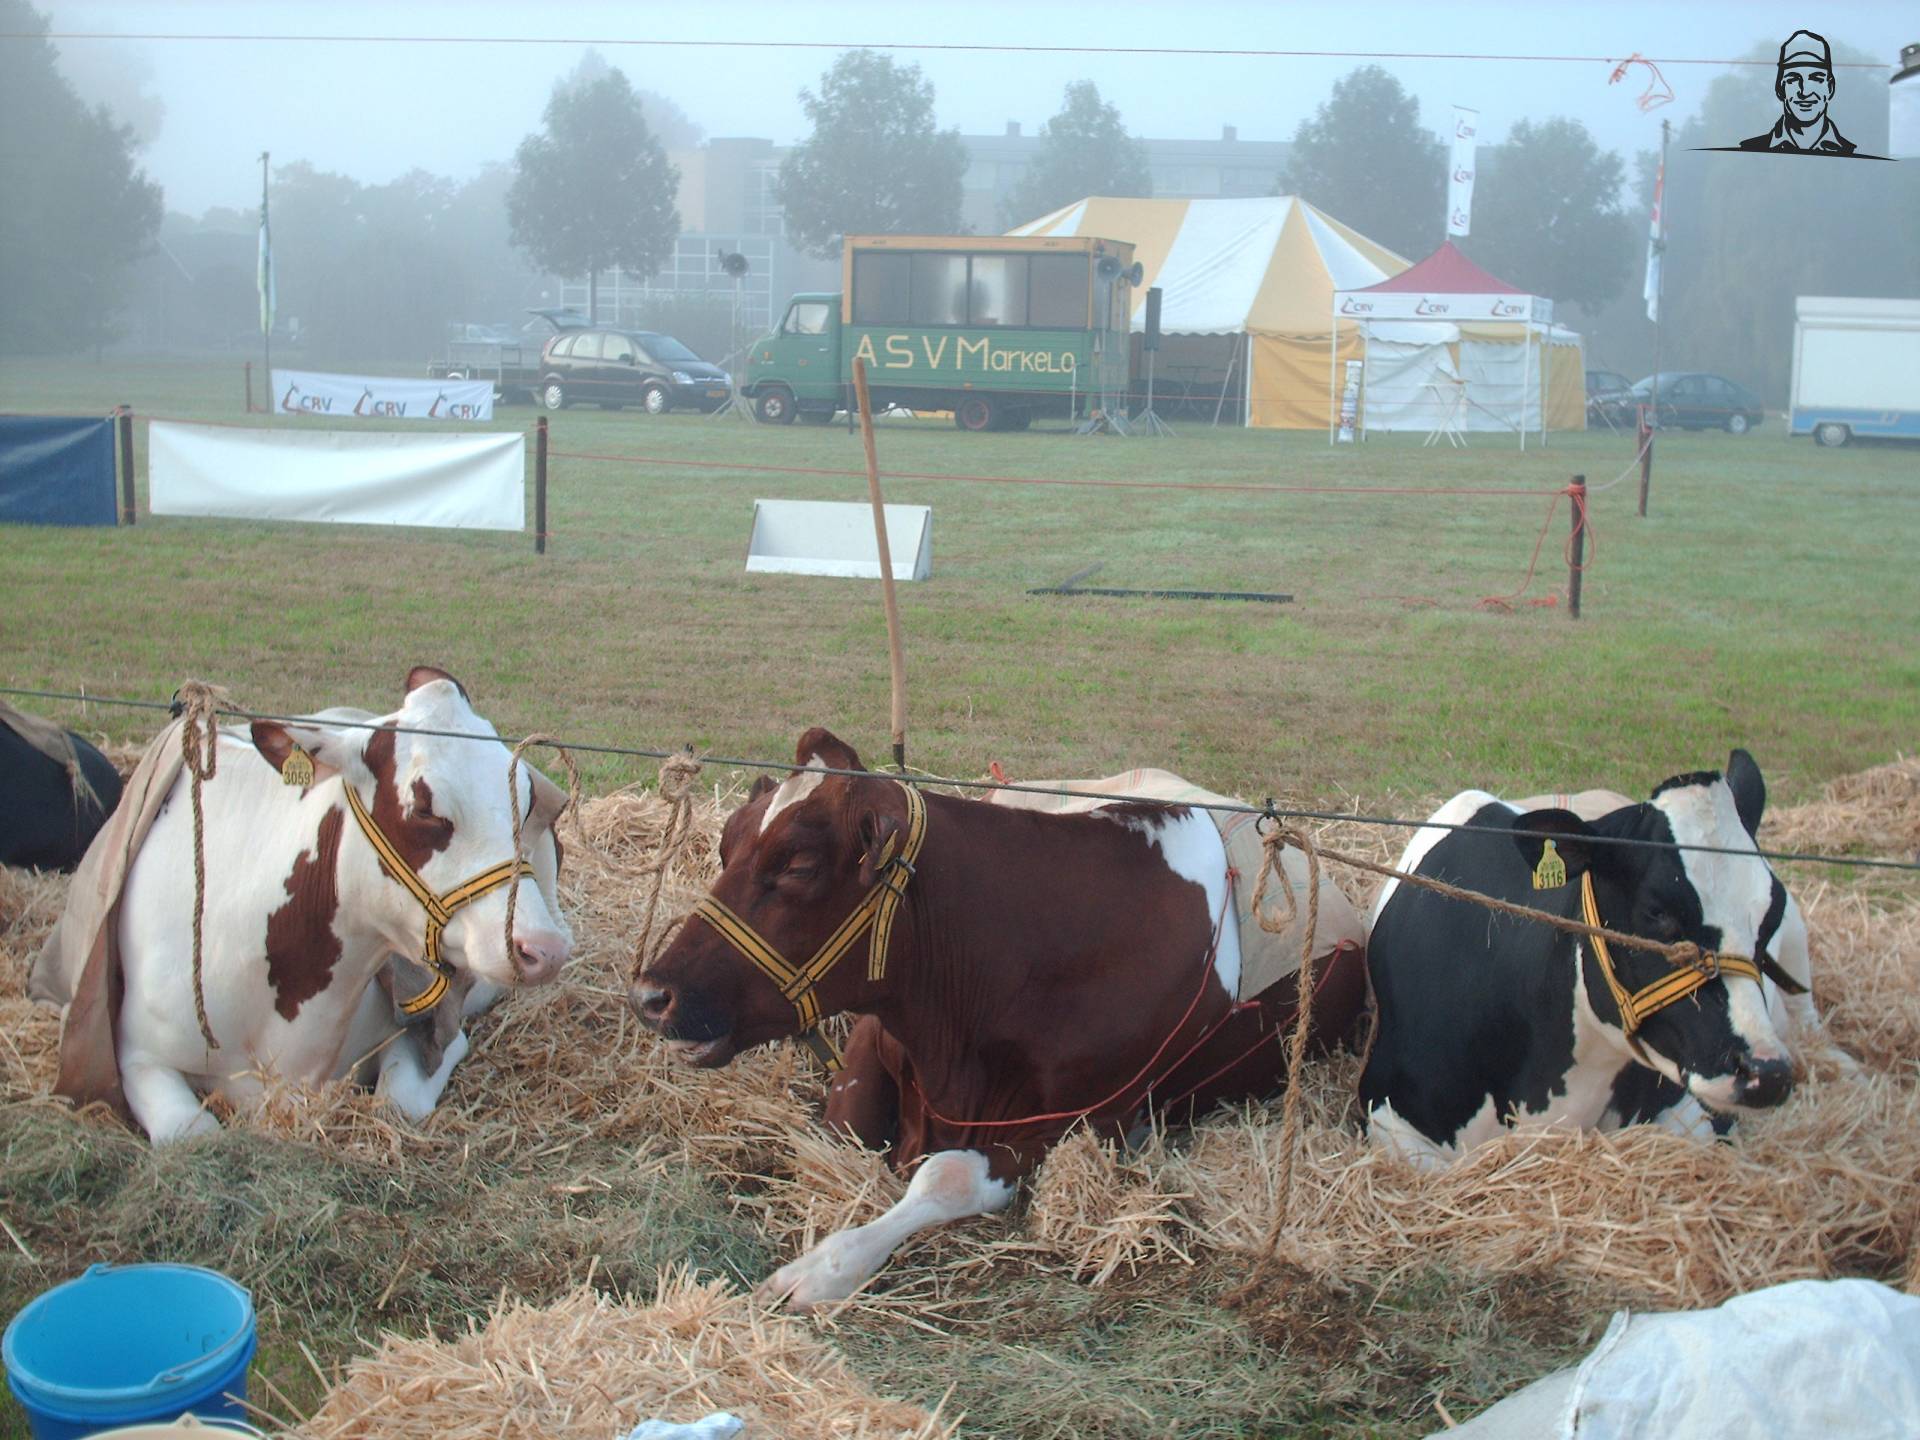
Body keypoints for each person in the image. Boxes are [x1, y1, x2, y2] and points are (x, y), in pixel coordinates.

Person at [1740, 31, 1856, 154]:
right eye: (1793, 79)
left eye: (1816, 79)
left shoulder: (1854, 153)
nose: (1804, 92)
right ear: (1780, 89)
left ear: (1830, 88)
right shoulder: (1749, 151)